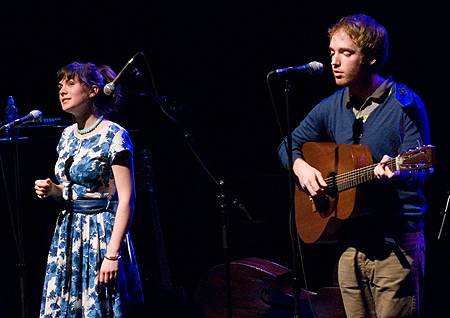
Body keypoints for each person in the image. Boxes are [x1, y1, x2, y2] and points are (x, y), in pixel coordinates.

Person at [278, 15, 430, 318]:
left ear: (371, 58)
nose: (335, 61)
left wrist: (398, 173)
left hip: (395, 245)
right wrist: (301, 168)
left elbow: (420, 171)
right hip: (350, 244)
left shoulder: (405, 104)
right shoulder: (333, 104)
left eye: (346, 53)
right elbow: (288, 144)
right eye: (332, 52)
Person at [35, 62, 144, 317]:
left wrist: (113, 253)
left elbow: (126, 198)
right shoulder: (66, 135)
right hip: (68, 236)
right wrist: (54, 190)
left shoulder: (114, 135)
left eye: (71, 84)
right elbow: (75, 191)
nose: (62, 90)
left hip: (100, 234)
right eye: (61, 85)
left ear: (94, 90)